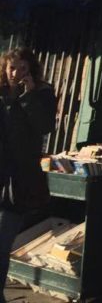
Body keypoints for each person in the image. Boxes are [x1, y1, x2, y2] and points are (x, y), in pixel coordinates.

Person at [0, 48, 57, 302]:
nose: (16, 73)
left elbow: (45, 126)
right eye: (12, 68)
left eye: (22, 68)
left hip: (19, 179)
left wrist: (29, 96)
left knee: (2, 240)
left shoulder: (42, 93)